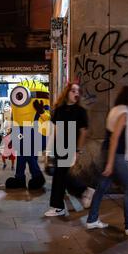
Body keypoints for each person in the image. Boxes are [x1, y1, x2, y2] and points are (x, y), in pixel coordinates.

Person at [86, 86, 128, 237]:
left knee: (102, 186)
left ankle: (92, 219)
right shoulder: (124, 112)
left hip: (108, 151)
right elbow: (115, 137)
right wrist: (110, 162)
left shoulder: (116, 109)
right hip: (117, 155)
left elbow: (115, 133)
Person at [44, 83, 95, 217]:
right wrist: (49, 150)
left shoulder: (80, 111)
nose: (76, 93)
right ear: (67, 92)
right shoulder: (59, 110)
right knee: (62, 176)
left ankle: (58, 206)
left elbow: (83, 132)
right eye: (73, 90)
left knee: (59, 176)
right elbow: (55, 131)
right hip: (59, 146)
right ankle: (84, 191)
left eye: (78, 91)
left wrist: (77, 150)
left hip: (71, 146)